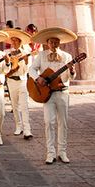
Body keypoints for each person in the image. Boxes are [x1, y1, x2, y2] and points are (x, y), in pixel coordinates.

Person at [29, 27, 78, 164]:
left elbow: (70, 77)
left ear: (59, 43)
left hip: (63, 92)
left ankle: (62, 152)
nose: (54, 44)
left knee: (63, 122)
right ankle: (50, 153)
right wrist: (37, 78)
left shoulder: (67, 56)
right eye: (51, 42)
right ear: (47, 43)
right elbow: (32, 69)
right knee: (48, 122)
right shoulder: (42, 55)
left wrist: (72, 71)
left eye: (56, 42)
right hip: (48, 94)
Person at [4, 28, 33, 139]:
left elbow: (27, 69)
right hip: (11, 81)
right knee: (15, 106)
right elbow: (6, 70)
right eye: (13, 40)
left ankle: (27, 130)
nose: (15, 42)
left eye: (17, 40)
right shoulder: (8, 53)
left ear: (20, 42)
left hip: (22, 80)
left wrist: (25, 61)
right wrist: (7, 62)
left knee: (24, 106)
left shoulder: (26, 53)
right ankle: (18, 126)